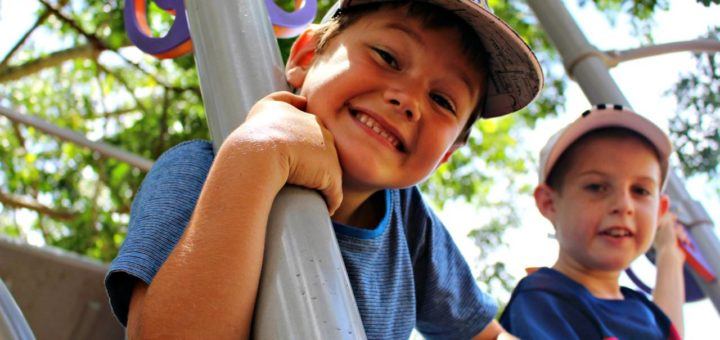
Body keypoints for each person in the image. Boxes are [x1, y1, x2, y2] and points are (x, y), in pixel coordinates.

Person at [105, 0, 543, 338]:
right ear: (307, 55)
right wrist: (256, 159)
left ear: (446, 155)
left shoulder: (409, 220)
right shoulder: (203, 169)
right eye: (388, 57)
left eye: (443, 101)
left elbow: (482, 334)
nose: (408, 99)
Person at [499, 104, 686, 339]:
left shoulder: (647, 313)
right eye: (596, 187)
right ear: (549, 203)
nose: (624, 205)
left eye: (640, 190)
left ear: (660, 211)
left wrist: (669, 252)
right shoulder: (544, 298)